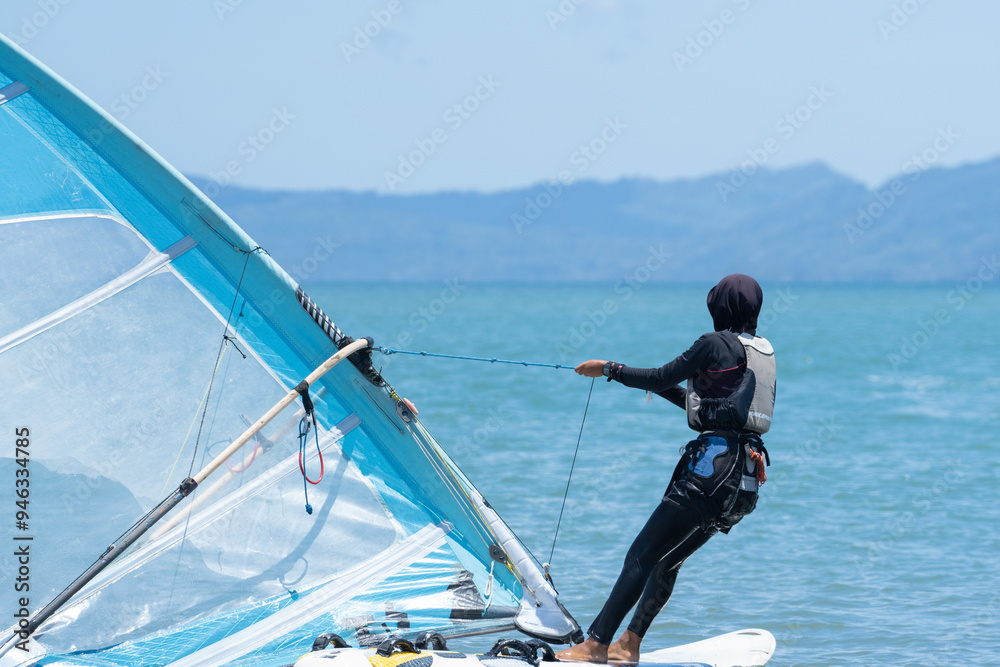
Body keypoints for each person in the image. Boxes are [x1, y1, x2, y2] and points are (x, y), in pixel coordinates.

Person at [555, 273, 776, 664]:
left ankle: (596, 644)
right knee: (666, 558)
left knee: (640, 555)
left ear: (719, 306)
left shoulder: (713, 343)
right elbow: (716, 411)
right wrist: (660, 388)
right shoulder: (762, 350)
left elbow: (660, 375)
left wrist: (608, 369)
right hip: (743, 485)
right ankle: (630, 644)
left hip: (710, 472)